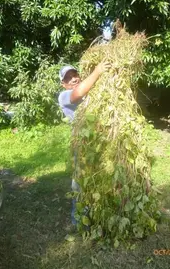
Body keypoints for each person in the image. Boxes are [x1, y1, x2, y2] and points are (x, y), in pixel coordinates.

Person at [58, 61, 110, 225]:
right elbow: (78, 93)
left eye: (75, 75)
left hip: (100, 141)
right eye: (69, 78)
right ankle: (78, 219)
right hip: (82, 144)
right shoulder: (64, 96)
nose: (73, 79)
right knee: (81, 181)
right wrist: (97, 71)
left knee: (100, 178)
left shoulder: (90, 90)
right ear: (63, 84)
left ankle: (99, 214)